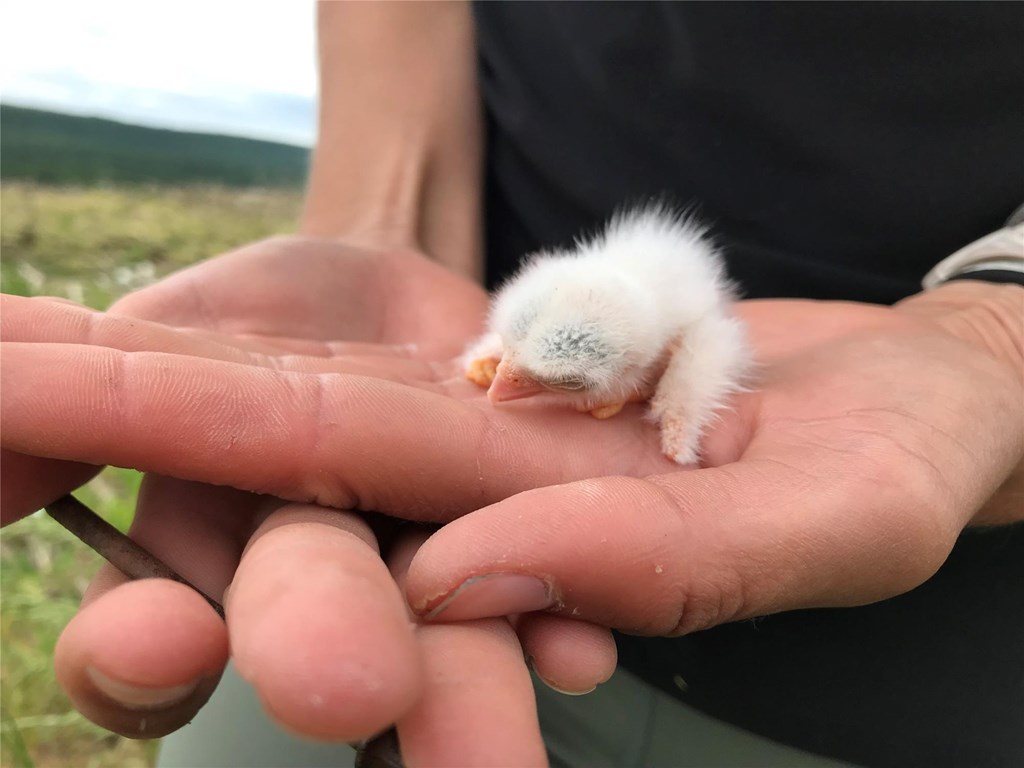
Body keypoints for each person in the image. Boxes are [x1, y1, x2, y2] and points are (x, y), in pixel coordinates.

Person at [2, 2, 1022, 766]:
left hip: (920, 687)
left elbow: (697, 350)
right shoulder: (555, 321)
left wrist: (995, 326)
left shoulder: (671, 337)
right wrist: (380, 220)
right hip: (459, 377)